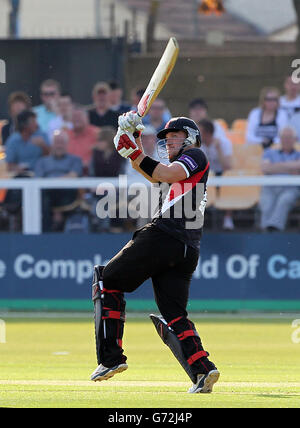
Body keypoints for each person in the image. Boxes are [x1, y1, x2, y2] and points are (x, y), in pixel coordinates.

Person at [90, 111, 220, 394]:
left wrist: (132, 151)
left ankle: (110, 358)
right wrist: (132, 144)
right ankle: (203, 369)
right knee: (174, 313)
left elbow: (162, 173)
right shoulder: (181, 170)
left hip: (165, 236)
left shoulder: (196, 156)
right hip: (187, 249)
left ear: (192, 139)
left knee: (107, 280)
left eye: (176, 136)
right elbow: (153, 174)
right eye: (166, 137)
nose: (170, 141)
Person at [35, 130, 83, 232]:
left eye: (62, 142)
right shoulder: (42, 161)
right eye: (57, 142)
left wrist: (53, 181)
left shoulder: (75, 160)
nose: (59, 145)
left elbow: (73, 175)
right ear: (52, 144)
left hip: (67, 193)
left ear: (67, 144)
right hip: (47, 193)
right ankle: (45, 232)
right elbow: (38, 180)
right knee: (42, 198)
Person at [259, 126, 300, 232]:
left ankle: (273, 229)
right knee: (267, 203)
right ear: (280, 139)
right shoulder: (269, 152)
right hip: (270, 187)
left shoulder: (298, 154)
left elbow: (298, 166)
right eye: (284, 137)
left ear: (295, 140)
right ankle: (266, 231)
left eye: (289, 137)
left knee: (284, 200)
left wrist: (275, 167)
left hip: (290, 188)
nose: (286, 140)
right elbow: (265, 168)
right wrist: (290, 169)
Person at [198, 118, 234, 230]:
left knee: (230, 180)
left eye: (199, 132)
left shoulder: (224, 143)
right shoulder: (196, 145)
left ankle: (228, 218)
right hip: (204, 175)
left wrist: (218, 149)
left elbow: (227, 166)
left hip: (221, 175)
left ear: (207, 133)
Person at [5, 110, 50, 174]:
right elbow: (9, 167)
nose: (36, 124)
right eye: (33, 121)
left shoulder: (42, 135)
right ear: (24, 124)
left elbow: (50, 159)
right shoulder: (13, 140)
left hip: (41, 175)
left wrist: (44, 146)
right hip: (21, 178)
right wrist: (18, 168)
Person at [67, 105, 100, 171]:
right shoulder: (65, 135)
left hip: (90, 173)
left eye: (79, 116)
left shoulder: (97, 133)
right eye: (74, 117)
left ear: (87, 118)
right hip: (68, 171)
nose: (76, 119)